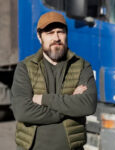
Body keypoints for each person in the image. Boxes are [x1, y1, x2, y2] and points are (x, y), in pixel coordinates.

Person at [11, 11, 97, 150]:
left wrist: (44, 99)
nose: (56, 38)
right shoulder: (25, 67)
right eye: (50, 33)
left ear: (66, 34)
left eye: (60, 32)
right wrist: (69, 104)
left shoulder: (81, 66)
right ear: (40, 37)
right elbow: (22, 111)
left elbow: (88, 105)